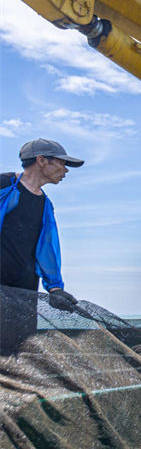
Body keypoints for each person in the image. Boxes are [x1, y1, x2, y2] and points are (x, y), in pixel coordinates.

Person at [0, 139, 83, 352]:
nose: (65, 170)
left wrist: (55, 287)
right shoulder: (4, 185)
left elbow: (46, 249)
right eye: (62, 163)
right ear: (41, 160)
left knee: (18, 347)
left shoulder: (44, 204)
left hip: (24, 291)